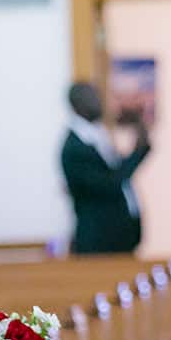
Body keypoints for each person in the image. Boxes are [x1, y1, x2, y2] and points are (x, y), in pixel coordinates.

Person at [61, 82, 150, 254]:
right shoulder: (75, 147)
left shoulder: (96, 136)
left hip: (118, 237)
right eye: (91, 97)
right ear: (77, 104)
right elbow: (110, 183)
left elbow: (115, 173)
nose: (98, 102)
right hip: (100, 241)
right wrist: (139, 150)